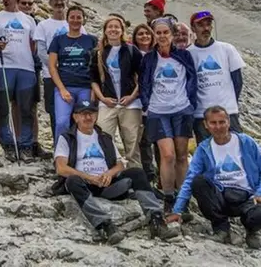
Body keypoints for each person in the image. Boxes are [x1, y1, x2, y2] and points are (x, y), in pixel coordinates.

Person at [54, 100, 173, 244]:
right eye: (83, 114)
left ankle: (156, 220)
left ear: (96, 116)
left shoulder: (104, 137)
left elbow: (119, 165)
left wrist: (109, 174)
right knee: (72, 180)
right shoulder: (67, 138)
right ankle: (105, 225)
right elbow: (61, 168)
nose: (88, 117)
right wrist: (89, 178)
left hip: (107, 184)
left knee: (137, 173)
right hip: (84, 185)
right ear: (75, 117)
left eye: (91, 113)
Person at [168, 106, 261, 249]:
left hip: (248, 197)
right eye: (213, 123)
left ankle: (251, 230)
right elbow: (189, 179)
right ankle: (221, 228)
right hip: (220, 197)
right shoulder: (204, 149)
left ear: (228, 122)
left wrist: (260, 193)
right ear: (206, 125)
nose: (218, 127)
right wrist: (177, 210)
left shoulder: (246, 142)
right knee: (198, 182)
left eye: (222, 122)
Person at [139, 17, 197, 212]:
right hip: (158, 111)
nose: (162, 36)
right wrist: (147, 104)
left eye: (166, 32)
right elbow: (144, 82)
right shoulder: (148, 58)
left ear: (172, 35)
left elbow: (192, 79)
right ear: (154, 35)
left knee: (181, 156)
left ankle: (183, 200)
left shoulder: (183, 55)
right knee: (168, 155)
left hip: (181, 109)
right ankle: (169, 197)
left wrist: (191, 103)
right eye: (159, 33)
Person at [0, 0, 38, 162]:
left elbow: (33, 46)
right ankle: (7, 144)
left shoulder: (29, 20)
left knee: (25, 108)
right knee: (3, 108)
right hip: (2, 65)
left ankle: (25, 145)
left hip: (26, 67)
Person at [91, 16, 144, 169]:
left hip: (131, 104)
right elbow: (93, 79)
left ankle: (136, 175)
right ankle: (110, 170)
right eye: (110, 27)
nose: (113, 30)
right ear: (105, 31)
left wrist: (133, 96)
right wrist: (102, 98)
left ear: (122, 31)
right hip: (108, 102)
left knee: (131, 143)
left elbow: (142, 77)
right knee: (103, 136)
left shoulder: (131, 50)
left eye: (117, 27)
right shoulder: (99, 53)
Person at [188, 11, 245, 143]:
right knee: (208, 154)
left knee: (236, 150)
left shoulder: (227, 49)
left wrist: (230, 102)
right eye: (201, 25)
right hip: (201, 114)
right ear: (193, 28)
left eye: (208, 24)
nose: (206, 28)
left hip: (228, 112)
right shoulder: (188, 53)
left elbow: (238, 81)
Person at [48, 5, 98, 141]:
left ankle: (83, 152)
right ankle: (61, 155)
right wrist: (62, 89)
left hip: (85, 87)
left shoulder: (91, 40)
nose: (75, 20)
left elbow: (97, 66)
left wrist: (94, 91)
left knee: (85, 121)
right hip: (65, 86)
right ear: (67, 19)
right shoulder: (58, 40)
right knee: (62, 122)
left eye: (79, 17)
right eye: (72, 17)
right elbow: (52, 66)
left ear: (83, 20)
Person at [34, 0, 69, 145]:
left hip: (72, 76)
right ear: (50, 3)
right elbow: (41, 51)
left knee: (74, 113)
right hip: (50, 76)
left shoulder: (74, 24)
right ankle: (59, 149)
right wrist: (55, 68)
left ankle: (73, 148)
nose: (59, 2)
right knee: (55, 114)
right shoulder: (43, 25)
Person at [19, 0, 47, 157]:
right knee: (18, 105)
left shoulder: (37, 23)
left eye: (30, 3)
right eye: (24, 3)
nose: (28, 6)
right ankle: (21, 141)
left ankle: (34, 142)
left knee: (32, 106)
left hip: (34, 66)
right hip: (18, 66)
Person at [132, 23, 160, 183]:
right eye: (140, 34)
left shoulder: (158, 54)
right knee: (143, 140)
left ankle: (162, 175)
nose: (144, 37)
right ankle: (148, 173)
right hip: (138, 103)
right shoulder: (132, 54)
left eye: (147, 34)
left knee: (158, 139)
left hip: (158, 102)